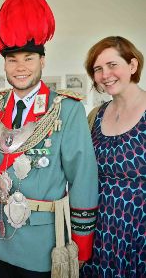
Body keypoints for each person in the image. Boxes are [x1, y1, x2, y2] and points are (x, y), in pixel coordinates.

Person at [0, 0, 99, 277]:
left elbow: (83, 179)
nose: (20, 67)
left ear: (42, 60)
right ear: (4, 63)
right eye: (12, 59)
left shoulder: (66, 110)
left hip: (41, 243)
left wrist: (81, 243)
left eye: (28, 58)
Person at [81, 36, 146, 277]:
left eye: (112, 65)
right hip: (100, 230)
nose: (105, 74)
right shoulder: (95, 116)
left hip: (139, 232)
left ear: (132, 65)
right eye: (98, 69)